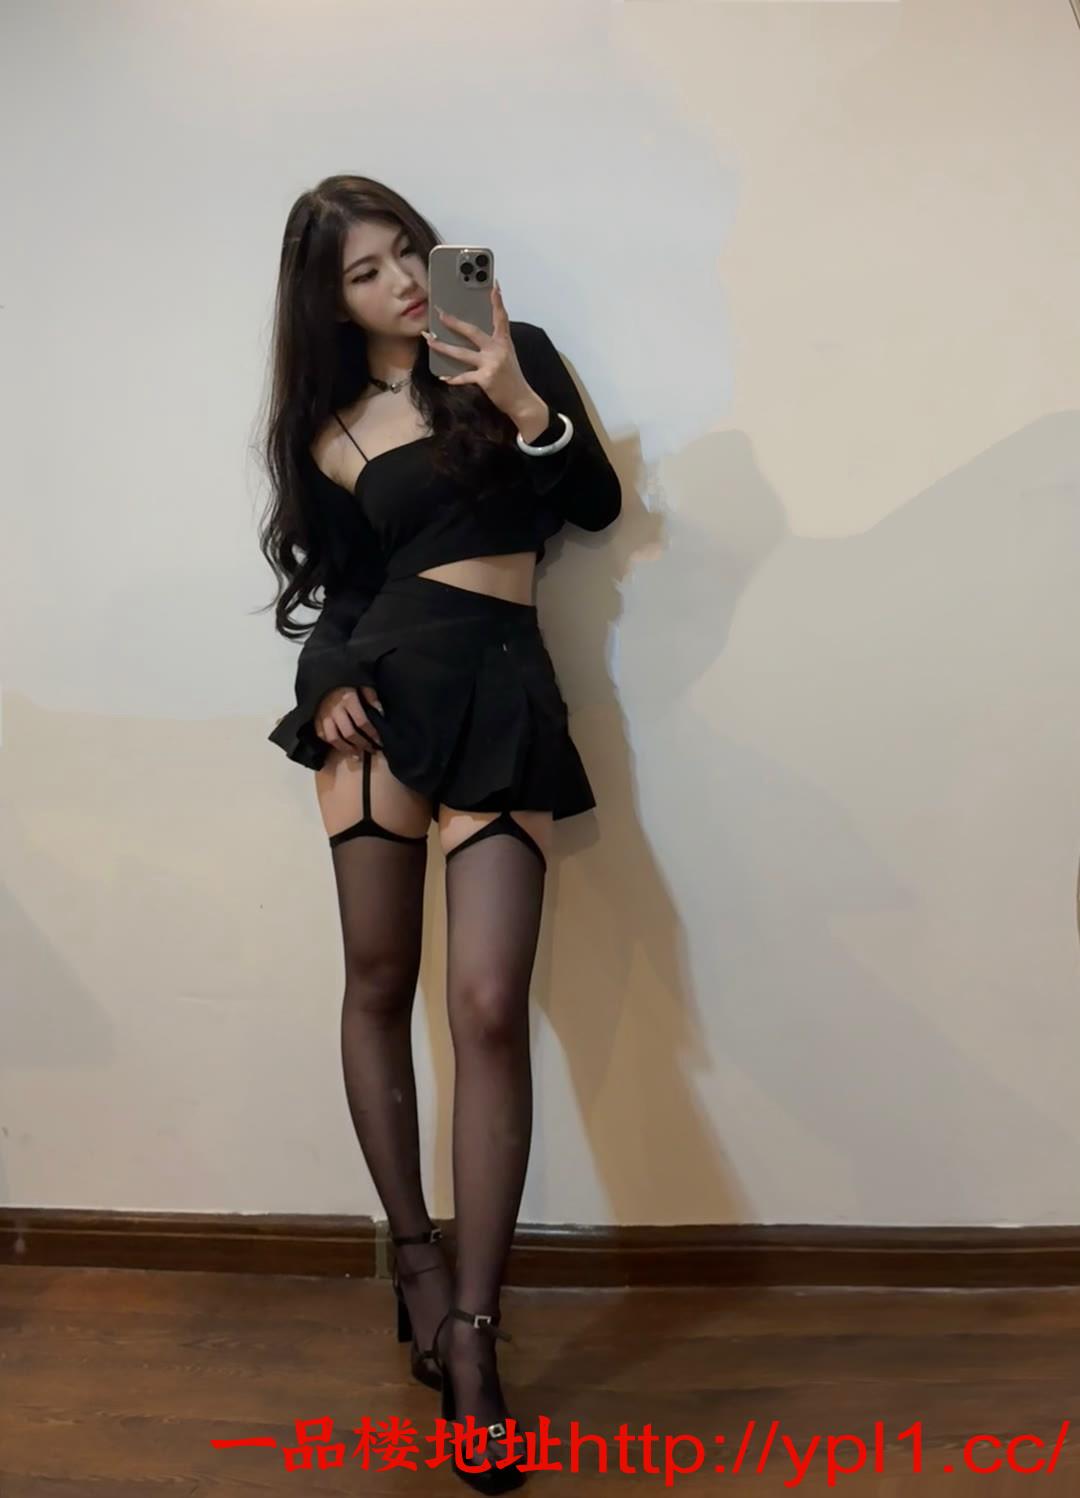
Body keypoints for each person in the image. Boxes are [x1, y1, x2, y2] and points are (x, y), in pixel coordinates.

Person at [257, 175, 621, 1493]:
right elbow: (340, 590)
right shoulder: (328, 430)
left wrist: (521, 400)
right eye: (364, 272)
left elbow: (591, 506)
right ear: (327, 301)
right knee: (376, 979)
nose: (403, 281)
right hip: (380, 702)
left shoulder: (509, 356)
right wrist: (322, 683)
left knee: (485, 1004)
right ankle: (413, 1257)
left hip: (503, 687)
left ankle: (472, 1330)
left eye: (406, 251)